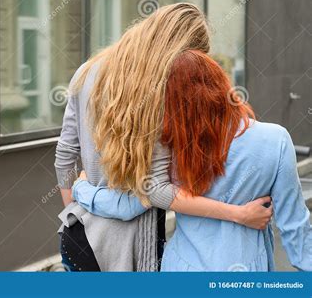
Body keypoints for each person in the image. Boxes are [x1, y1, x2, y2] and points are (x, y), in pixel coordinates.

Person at [54, 3, 273, 272]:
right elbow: (154, 192)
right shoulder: (157, 93)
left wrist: (78, 210)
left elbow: (64, 156)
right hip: (129, 250)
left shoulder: (87, 71)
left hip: (78, 235)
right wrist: (238, 214)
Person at [72, 50, 312, 271]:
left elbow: (128, 205)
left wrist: (82, 188)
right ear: (223, 85)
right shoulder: (275, 140)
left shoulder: (171, 148)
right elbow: (295, 227)